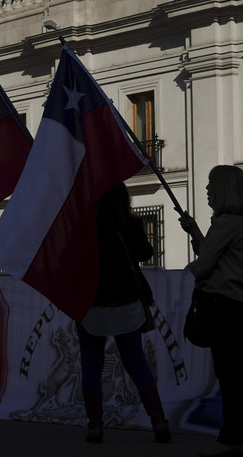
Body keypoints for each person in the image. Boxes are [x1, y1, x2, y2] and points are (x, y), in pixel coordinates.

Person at [76, 183, 169, 444]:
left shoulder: (85, 227)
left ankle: (95, 426)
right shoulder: (132, 225)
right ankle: (159, 421)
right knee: (136, 363)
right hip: (127, 304)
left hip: (92, 304)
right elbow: (146, 253)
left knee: (91, 366)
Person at [179, 165, 243, 457]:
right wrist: (196, 231)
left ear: (224, 189)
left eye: (212, 185)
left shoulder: (226, 223)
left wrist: (185, 273)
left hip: (220, 304)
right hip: (236, 303)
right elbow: (215, 254)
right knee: (235, 372)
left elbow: (205, 263)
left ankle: (231, 438)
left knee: (229, 374)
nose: (208, 190)